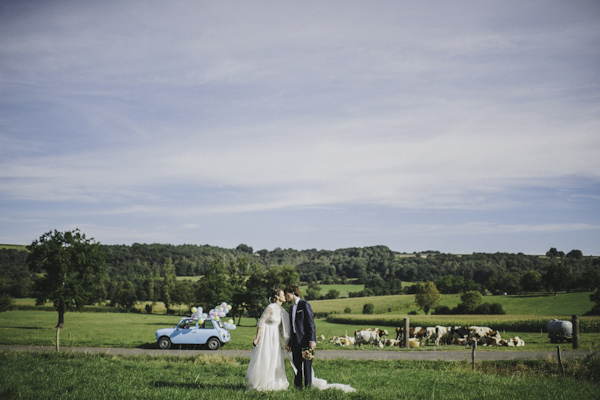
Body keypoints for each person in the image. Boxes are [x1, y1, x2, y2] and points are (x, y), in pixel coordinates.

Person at [246, 288, 290, 391]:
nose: (284, 296)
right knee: (265, 358)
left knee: (275, 359)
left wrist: (286, 343)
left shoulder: (281, 310)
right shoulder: (270, 307)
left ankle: (272, 382)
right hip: (266, 336)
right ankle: (261, 382)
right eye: (282, 295)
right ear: (277, 297)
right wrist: (257, 338)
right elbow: (261, 322)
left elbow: (281, 328)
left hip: (275, 338)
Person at [284, 285, 316, 389]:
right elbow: (291, 327)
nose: (285, 296)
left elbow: (311, 323)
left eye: (286, 293)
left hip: (305, 340)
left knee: (307, 366)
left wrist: (312, 340)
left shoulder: (304, 304)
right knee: (296, 366)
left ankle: (308, 387)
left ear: (293, 293)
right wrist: (289, 343)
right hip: (295, 342)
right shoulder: (291, 308)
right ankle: (298, 387)